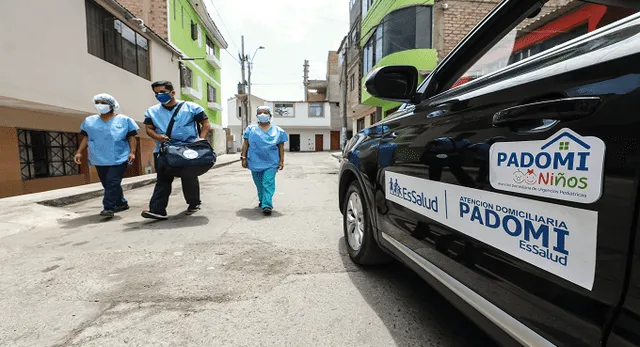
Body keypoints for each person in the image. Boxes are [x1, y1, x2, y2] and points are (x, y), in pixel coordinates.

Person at [141, 81, 211, 220]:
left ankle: (193, 203)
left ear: (173, 92)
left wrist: (201, 139)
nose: (159, 95)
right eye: (156, 93)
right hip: (164, 150)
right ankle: (157, 210)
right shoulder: (152, 111)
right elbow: (148, 128)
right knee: (163, 179)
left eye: (162, 92)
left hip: (188, 148)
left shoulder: (192, 107)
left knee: (189, 176)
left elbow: (205, 123)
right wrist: (157, 137)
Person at [74, 94, 139, 218]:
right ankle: (121, 203)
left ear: (111, 105)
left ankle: (108, 208)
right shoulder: (89, 121)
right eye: (97, 102)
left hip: (119, 157)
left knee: (112, 182)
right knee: (108, 183)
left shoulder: (124, 120)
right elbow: (86, 137)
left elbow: (131, 137)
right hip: (99, 157)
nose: (100, 105)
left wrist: (132, 152)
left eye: (103, 102)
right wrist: (79, 152)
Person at [241, 106, 288, 215]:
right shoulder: (250, 129)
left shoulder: (278, 131)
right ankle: (262, 199)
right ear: (257, 115)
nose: (262, 114)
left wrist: (281, 161)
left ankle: (267, 205)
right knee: (259, 183)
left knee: (268, 182)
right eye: (260, 112)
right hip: (254, 161)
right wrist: (243, 158)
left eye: (265, 112)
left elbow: (281, 146)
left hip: (271, 162)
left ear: (270, 115)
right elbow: (246, 144)